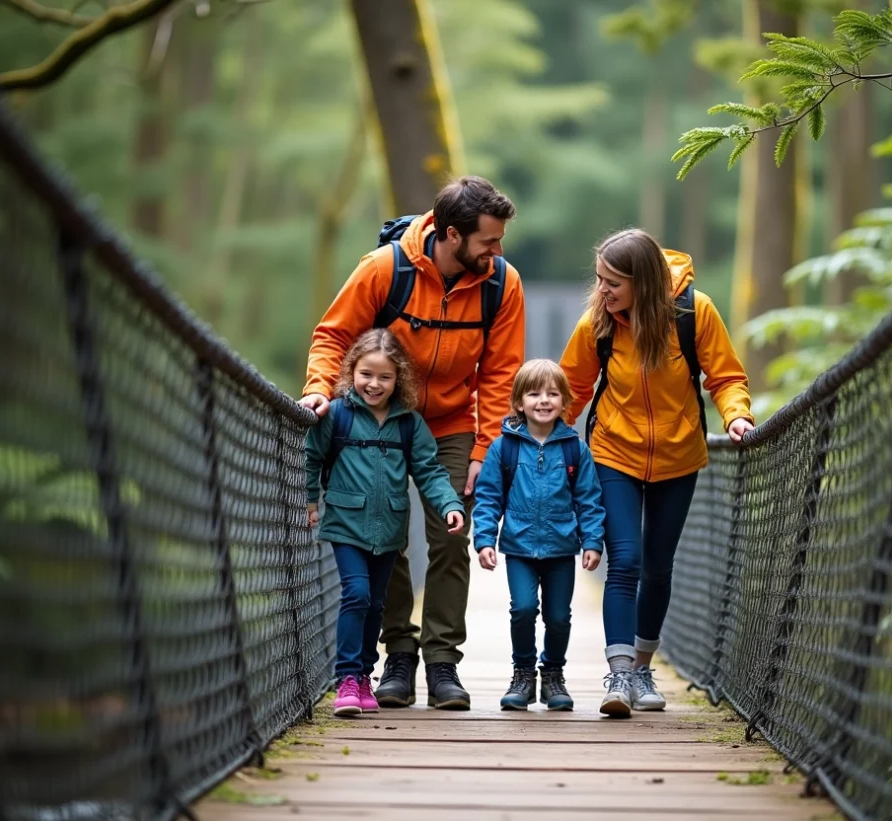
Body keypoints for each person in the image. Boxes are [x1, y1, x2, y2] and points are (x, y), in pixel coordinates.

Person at [300, 176, 525, 710]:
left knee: (451, 536)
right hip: (379, 420)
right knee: (385, 533)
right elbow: (333, 335)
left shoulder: (501, 283)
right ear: (451, 236)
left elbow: (501, 372)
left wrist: (484, 450)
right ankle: (398, 654)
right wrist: (317, 392)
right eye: (488, 242)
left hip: (449, 424)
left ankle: (443, 663)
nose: (497, 251)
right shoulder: (385, 269)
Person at [560, 228, 756, 718]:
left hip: (678, 454)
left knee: (657, 565)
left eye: (613, 283)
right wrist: (541, 446)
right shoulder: (598, 323)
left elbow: (726, 376)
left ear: (643, 283)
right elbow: (572, 388)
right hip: (613, 452)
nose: (602, 290)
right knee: (623, 559)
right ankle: (620, 672)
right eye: (600, 279)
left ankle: (643, 668)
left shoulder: (695, 313)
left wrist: (736, 414)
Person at [305, 329, 465, 717]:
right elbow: (312, 456)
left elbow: (429, 470)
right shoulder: (337, 414)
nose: (374, 384)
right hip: (346, 522)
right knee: (356, 594)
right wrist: (311, 500)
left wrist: (449, 505)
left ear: (399, 379)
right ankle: (346, 678)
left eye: (384, 377)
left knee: (376, 604)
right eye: (366, 374)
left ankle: (363, 676)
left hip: (389, 529)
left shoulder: (408, 424)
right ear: (351, 371)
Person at [471, 359, 606, 712]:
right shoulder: (505, 448)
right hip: (519, 546)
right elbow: (488, 497)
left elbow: (589, 499)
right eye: (534, 393)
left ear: (564, 402)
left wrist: (592, 541)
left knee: (559, 616)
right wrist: (484, 539)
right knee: (524, 609)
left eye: (552, 393)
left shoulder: (575, 450)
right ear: (519, 402)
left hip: (562, 547)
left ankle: (553, 675)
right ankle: (523, 674)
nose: (543, 400)